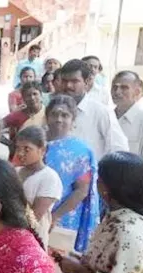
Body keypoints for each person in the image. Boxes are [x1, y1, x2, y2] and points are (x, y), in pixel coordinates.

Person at [44, 95, 100, 252]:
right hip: (32, 213)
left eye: (65, 115)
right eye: (54, 114)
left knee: (58, 264)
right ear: (47, 117)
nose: (59, 119)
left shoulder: (80, 151)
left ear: (73, 120)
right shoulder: (35, 142)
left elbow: (82, 190)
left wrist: (54, 217)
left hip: (64, 217)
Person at [60, 59, 128, 161]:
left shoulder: (101, 112)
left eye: (74, 81)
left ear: (86, 82)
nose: (68, 85)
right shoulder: (56, 110)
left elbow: (119, 148)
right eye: (64, 81)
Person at [15, 126, 63, 246]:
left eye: (27, 149)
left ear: (42, 150)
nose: (20, 153)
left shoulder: (49, 177)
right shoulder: (15, 172)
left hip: (32, 238)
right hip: (11, 232)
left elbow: (34, 218)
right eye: (18, 148)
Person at [112, 71, 143, 177]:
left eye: (124, 88)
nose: (117, 92)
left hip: (131, 186)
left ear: (137, 92)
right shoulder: (107, 117)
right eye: (114, 87)